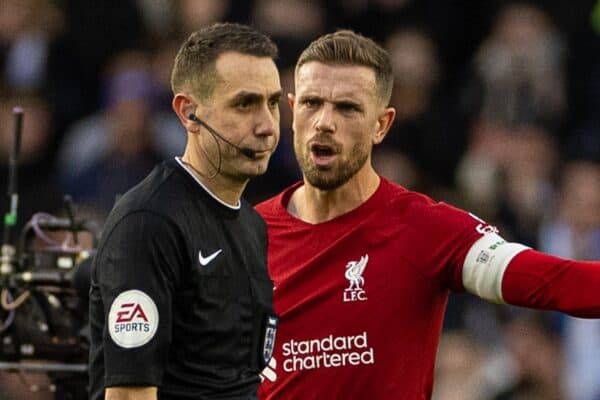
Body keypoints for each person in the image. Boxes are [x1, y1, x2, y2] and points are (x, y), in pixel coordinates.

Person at [255, 29, 600, 399]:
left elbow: (555, 282)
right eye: (311, 103)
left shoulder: (423, 229)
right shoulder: (245, 234)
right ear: (290, 111)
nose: (324, 121)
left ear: (381, 125)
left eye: (347, 108)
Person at [88, 22, 282, 400]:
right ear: (189, 113)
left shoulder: (251, 224)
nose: (267, 126)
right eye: (245, 104)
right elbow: (129, 394)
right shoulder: (149, 223)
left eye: (272, 102)